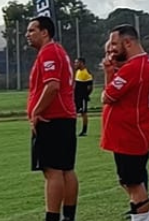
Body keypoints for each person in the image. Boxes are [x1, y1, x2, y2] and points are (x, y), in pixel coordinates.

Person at [101, 25, 149, 221]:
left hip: (129, 134)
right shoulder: (142, 64)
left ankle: (143, 217)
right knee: (129, 181)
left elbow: (107, 96)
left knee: (134, 184)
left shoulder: (133, 68)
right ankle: (141, 214)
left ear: (128, 43)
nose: (111, 49)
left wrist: (109, 74)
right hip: (130, 132)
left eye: (114, 44)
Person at [25, 16, 80, 221]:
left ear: (45, 32)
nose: (27, 35)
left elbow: (52, 86)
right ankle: (69, 216)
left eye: (31, 30)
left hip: (52, 119)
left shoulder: (49, 52)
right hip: (64, 118)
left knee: (52, 171)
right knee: (66, 169)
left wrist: (36, 111)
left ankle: (53, 217)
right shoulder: (57, 51)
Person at [73, 57, 93, 137]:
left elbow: (90, 87)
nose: (75, 64)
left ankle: (84, 131)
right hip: (76, 97)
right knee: (74, 113)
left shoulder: (86, 72)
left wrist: (86, 95)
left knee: (83, 113)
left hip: (83, 97)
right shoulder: (77, 72)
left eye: (76, 62)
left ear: (81, 63)